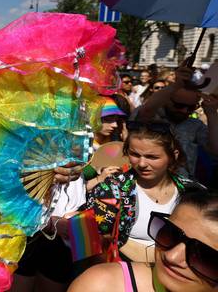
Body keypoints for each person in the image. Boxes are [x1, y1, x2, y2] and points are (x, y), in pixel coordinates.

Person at [85, 122, 197, 264]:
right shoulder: (111, 188)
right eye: (135, 154)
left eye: (152, 157)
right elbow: (89, 243)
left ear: (173, 156)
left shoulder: (192, 192)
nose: (142, 163)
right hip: (122, 275)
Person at [69, 189, 218, 292]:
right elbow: (87, 234)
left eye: (202, 254)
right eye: (170, 234)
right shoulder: (102, 285)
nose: (171, 256)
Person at [133, 62, 218, 178]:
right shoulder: (152, 116)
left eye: (190, 108)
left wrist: (212, 113)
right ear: (167, 99)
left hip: (181, 186)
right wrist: (176, 85)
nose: (184, 111)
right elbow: (146, 111)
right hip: (146, 183)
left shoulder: (195, 125)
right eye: (179, 105)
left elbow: (215, 150)